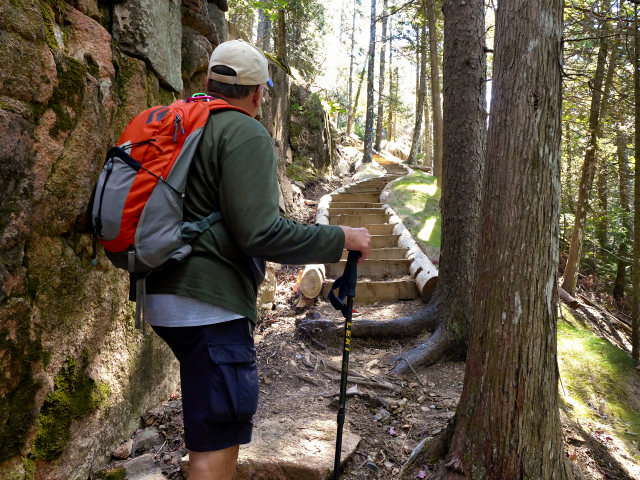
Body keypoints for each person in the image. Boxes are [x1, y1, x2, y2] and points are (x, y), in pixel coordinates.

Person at [144, 39, 371, 480]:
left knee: (218, 427)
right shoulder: (244, 131)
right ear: (257, 93)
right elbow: (260, 233)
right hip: (207, 304)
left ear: (209, 82)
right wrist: (342, 236)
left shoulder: (185, 124)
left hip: (164, 292)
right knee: (216, 436)